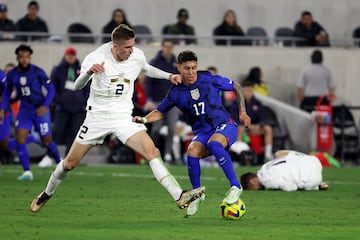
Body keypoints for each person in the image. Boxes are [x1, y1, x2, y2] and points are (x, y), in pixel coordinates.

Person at [30, 24, 205, 213]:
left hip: (123, 117)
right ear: (115, 45)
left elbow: (145, 68)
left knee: (152, 152)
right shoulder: (96, 58)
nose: (132, 50)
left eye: (133, 45)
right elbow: (78, 85)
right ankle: (47, 193)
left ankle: (179, 196)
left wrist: (169, 76)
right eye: (127, 47)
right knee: (69, 164)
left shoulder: (136, 55)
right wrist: (88, 73)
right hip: (97, 118)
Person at [133, 50, 251, 216]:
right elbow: (160, 112)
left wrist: (242, 112)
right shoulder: (175, 92)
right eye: (187, 68)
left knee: (214, 143)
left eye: (194, 68)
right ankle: (197, 194)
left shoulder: (208, 79)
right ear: (178, 68)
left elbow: (236, 86)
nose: (191, 72)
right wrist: (144, 120)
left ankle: (235, 186)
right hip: (203, 131)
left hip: (224, 125)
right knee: (192, 151)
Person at [0, 44, 61, 180]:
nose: (24, 60)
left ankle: (60, 163)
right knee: (20, 138)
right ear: (17, 58)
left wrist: (45, 105)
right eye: (22, 57)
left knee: (47, 140)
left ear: (30, 58)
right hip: (25, 111)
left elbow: (51, 88)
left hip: (40, 110)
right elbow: (6, 92)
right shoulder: (12, 74)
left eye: (27, 57)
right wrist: (3, 108)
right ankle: (27, 171)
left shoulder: (37, 72)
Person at [144, 40, 179, 164]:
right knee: (156, 129)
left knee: (172, 128)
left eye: (170, 46)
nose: (168, 49)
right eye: (166, 46)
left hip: (173, 101)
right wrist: (149, 99)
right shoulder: (155, 62)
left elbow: (181, 84)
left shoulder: (176, 64)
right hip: (159, 101)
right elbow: (148, 82)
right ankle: (151, 152)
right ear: (162, 47)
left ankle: (168, 154)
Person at [50, 47, 89, 157]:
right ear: (65, 56)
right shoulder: (58, 69)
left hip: (78, 108)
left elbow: (87, 87)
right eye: (69, 55)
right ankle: (50, 155)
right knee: (57, 131)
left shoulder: (82, 70)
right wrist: (59, 101)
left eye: (73, 55)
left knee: (75, 133)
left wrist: (83, 102)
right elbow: (52, 87)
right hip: (62, 107)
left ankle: (69, 157)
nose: (71, 57)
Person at [240, 150, 329, 191]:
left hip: (313, 177)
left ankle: (317, 186)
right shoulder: (264, 167)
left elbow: (291, 187)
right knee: (278, 154)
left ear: (252, 181)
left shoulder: (266, 181)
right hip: (312, 159)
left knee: (302, 184)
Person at [238, 80, 273, 162]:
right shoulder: (236, 103)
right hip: (243, 127)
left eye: (250, 91)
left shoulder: (257, 103)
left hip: (255, 128)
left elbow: (263, 118)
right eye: (246, 91)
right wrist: (247, 125)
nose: (248, 93)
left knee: (268, 128)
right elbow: (235, 118)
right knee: (240, 128)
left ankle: (268, 155)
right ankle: (240, 154)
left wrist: (259, 125)